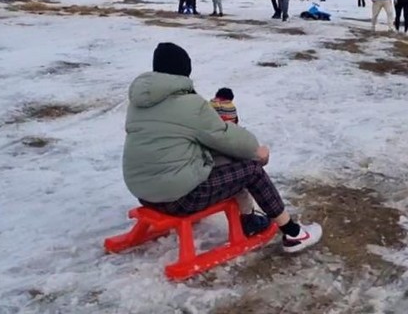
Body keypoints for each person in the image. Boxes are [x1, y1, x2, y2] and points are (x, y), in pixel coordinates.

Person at [123, 42, 323, 252]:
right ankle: (293, 233)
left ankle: (249, 218)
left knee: (221, 161)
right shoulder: (190, 104)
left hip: (143, 193)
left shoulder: (137, 104)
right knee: (251, 169)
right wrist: (257, 151)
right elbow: (227, 137)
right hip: (179, 199)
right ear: (184, 71)